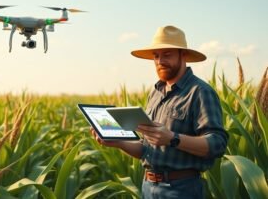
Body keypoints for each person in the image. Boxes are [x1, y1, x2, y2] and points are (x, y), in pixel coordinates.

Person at [91, 25, 229, 199]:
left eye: (167, 54)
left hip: (181, 190)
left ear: (183, 55)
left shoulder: (200, 92)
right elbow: (146, 149)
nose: (160, 61)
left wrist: (173, 139)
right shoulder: (155, 93)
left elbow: (218, 144)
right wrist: (117, 142)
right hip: (148, 187)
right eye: (156, 56)